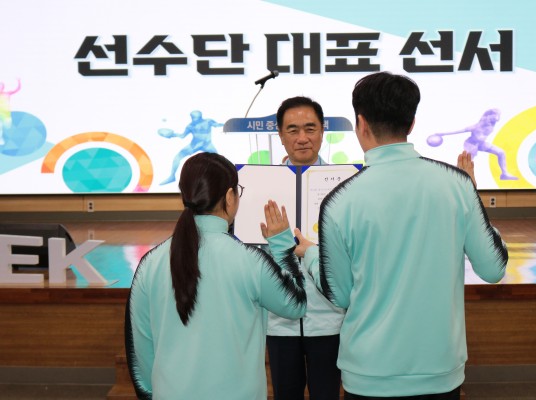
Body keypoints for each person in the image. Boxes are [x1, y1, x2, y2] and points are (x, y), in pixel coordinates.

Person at [266, 72, 508, 399]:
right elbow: (493, 269)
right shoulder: (457, 184)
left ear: (361, 124)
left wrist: (309, 252)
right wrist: (474, 204)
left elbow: (340, 295)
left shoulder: (340, 199)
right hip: (440, 370)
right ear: (411, 123)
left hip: (369, 372)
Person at [125, 152, 307, 400]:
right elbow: (296, 305)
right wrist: (283, 244)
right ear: (230, 197)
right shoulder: (250, 260)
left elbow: (141, 352)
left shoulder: (149, 263)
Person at [266, 96, 345, 400]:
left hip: (329, 317)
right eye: (293, 130)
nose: (302, 138)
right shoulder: (261, 184)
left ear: (323, 131)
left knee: (327, 393)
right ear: (280, 135)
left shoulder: (344, 184)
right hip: (279, 320)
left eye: (310, 128)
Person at [427, 108, 518, 180]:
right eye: (492, 117)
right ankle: (449, 173)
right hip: (471, 144)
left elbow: (497, 116)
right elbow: (458, 131)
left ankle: (504, 174)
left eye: (496, 118)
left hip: (481, 144)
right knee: (465, 163)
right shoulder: (476, 126)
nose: (495, 119)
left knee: (501, 152)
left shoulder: (491, 125)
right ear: (486, 118)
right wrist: (442, 133)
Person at [158, 110, 224, 185]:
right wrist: (173, 135)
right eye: (193, 117)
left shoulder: (208, 121)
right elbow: (182, 136)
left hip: (207, 145)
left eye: (195, 118)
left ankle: (221, 178)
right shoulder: (190, 126)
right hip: (194, 145)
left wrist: (227, 125)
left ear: (200, 117)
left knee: (219, 160)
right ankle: (172, 176)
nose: (194, 119)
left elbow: (217, 125)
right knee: (178, 156)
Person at [0, 79, 21, 146]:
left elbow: (16, 90)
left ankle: (8, 138)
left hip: (6, 114)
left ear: (3, 87)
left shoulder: (7, 94)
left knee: (8, 126)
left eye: (1, 86)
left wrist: (19, 81)